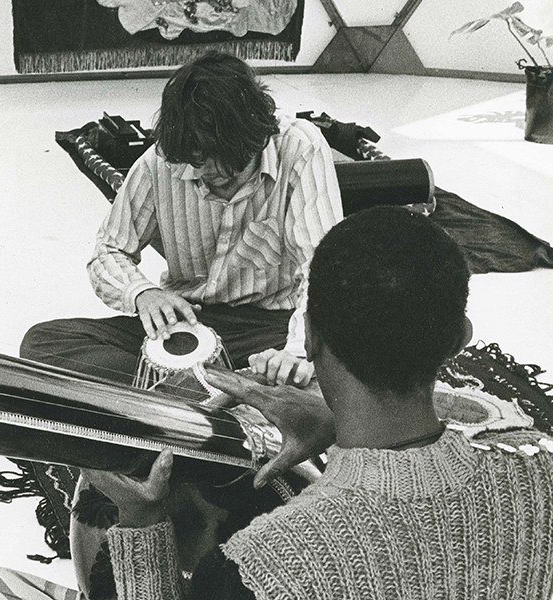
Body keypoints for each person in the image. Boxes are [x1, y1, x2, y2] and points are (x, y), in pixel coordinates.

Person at [0, 206, 553, 600]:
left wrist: (141, 526)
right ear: (460, 339)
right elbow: (478, 422)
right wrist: (336, 418)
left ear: (311, 333)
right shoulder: (537, 471)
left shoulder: (272, 568)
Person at [21, 51, 341, 389]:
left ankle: (177, 391)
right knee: (43, 342)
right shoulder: (161, 162)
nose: (204, 174)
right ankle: (218, 389)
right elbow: (108, 251)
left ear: (257, 139)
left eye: (224, 164)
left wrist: (295, 352)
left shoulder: (299, 148)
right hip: (184, 320)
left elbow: (323, 268)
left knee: (331, 364)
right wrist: (142, 293)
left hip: (267, 328)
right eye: (196, 162)